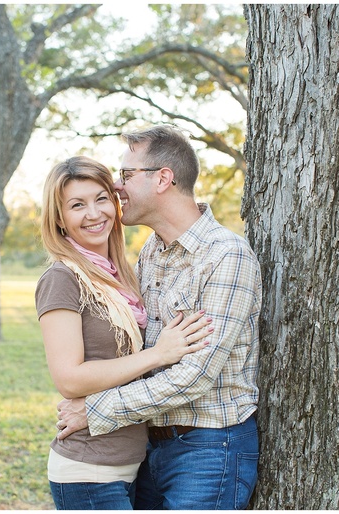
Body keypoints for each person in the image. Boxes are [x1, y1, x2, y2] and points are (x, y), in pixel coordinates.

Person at [55, 126, 263, 510]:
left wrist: (96, 409)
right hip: (150, 445)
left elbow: (195, 375)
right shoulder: (151, 251)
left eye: (126, 175)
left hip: (209, 449)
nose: (117, 187)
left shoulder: (225, 256)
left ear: (163, 178)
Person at [36, 155, 214, 510]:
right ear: (59, 219)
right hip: (88, 471)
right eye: (77, 205)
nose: (93, 213)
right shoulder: (62, 279)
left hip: (133, 465)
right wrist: (159, 354)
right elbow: (69, 380)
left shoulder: (123, 275)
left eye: (101, 199)